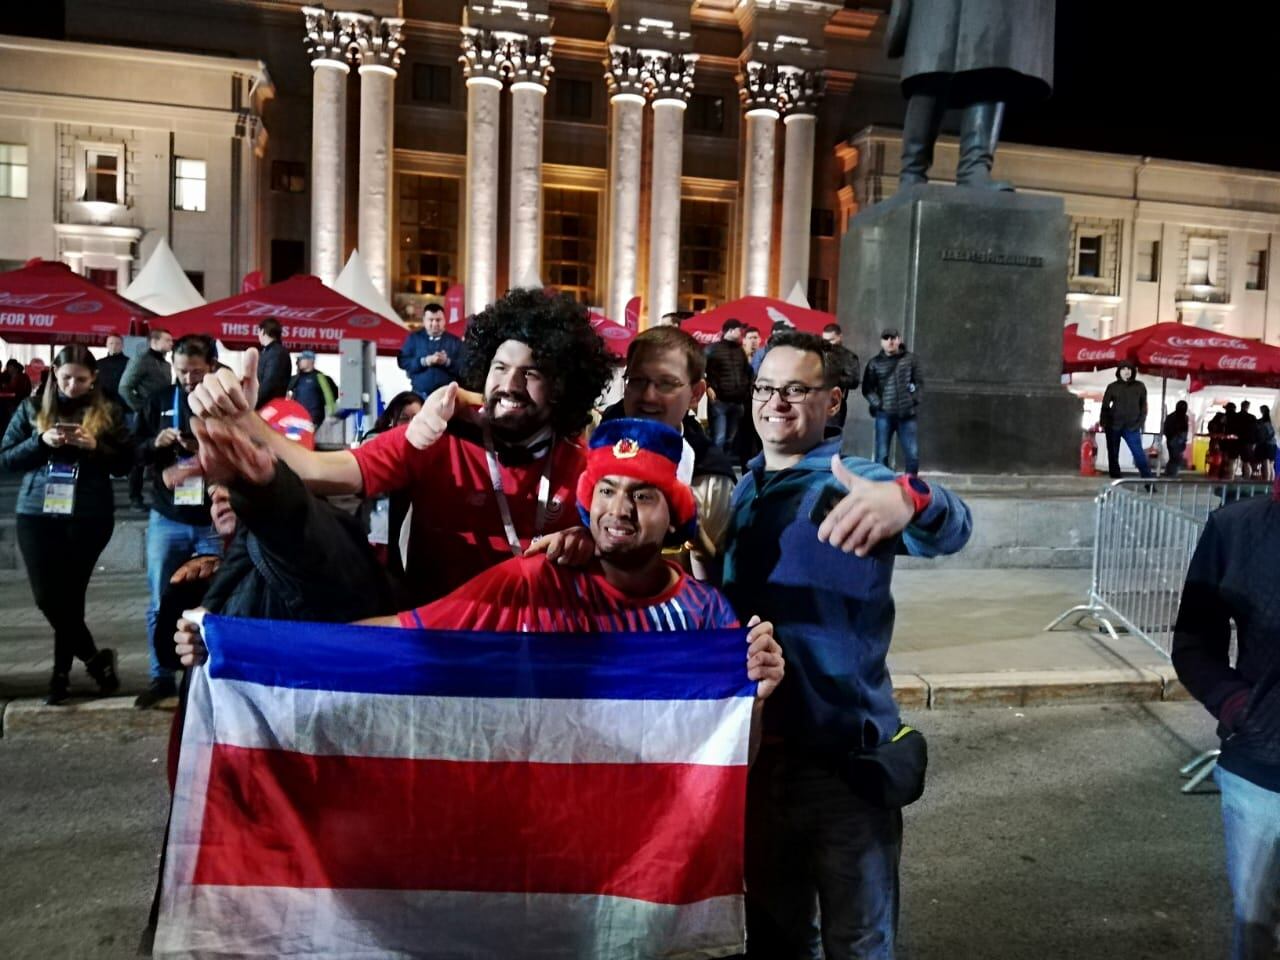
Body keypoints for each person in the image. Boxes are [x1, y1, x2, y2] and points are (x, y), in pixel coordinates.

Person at [178, 418, 782, 699]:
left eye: (643, 495)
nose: (619, 510)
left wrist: (754, 695)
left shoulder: (707, 617)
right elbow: (400, 638)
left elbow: (729, 759)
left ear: (675, 514)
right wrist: (239, 646)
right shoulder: (534, 581)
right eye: (606, 490)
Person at [722, 331, 972, 958]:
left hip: (841, 767)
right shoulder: (742, 487)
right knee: (774, 940)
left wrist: (911, 498)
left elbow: (953, 528)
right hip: (754, 761)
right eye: (765, 388)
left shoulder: (853, 478)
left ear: (832, 401)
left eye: (795, 390)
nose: (775, 403)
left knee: (858, 942)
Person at [188, 287, 615, 606]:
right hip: (435, 652)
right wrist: (245, 421)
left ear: (562, 387)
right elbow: (318, 471)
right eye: (500, 367)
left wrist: (591, 542)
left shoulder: (587, 465)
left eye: (532, 373)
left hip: (543, 653)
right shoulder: (433, 438)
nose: (510, 384)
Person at [1172, 485, 1280, 960]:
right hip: (1264, 775)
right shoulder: (1236, 529)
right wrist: (1240, 707)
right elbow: (1194, 643)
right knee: (1260, 930)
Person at [0, 345, 132, 704]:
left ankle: (60, 676)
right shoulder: (31, 408)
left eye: (81, 380)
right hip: (36, 513)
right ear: (54, 376)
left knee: (71, 597)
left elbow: (125, 462)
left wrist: (95, 446)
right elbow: (6, 459)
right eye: (66, 378)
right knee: (48, 598)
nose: (73, 385)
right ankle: (95, 659)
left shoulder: (108, 410)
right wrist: (40, 442)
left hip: (89, 514)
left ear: (93, 379)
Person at [598, 327, 737, 577]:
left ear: (696, 393)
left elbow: (723, 578)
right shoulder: (591, 448)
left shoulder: (711, 478)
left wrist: (698, 544)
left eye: (666, 384)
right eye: (637, 381)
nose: (648, 396)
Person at [133, 334, 224, 708]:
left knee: (214, 602)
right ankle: (161, 676)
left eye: (196, 372)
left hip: (212, 519)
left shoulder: (222, 404)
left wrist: (203, 452)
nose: (188, 379)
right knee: (161, 600)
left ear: (211, 367)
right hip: (168, 517)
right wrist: (156, 444)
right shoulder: (159, 401)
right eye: (182, 371)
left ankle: (209, 678)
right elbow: (131, 453)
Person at [120, 327, 174, 510]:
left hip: (162, 414)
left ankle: (161, 495)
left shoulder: (166, 364)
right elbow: (125, 387)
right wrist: (141, 408)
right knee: (139, 458)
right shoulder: (141, 360)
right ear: (154, 342)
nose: (171, 343)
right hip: (145, 415)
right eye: (167, 340)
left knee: (161, 452)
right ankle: (135, 497)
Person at [862, 328, 923, 475]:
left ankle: (910, 485)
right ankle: (882, 484)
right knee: (881, 456)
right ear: (881, 342)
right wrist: (879, 404)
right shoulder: (874, 363)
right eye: (886, 338)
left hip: (907, 415)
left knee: (912, 456)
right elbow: (867, 388)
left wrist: (913, 400)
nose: (890, 341)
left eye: (893, 338)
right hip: (884, 415)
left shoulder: (911, 359)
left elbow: (919, 383)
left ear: (899, 340)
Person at [705, 319, 753, 454]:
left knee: (730, 439)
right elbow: (701, 370)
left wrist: (746, 390)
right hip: (720, 401)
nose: (741, 333)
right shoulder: (712, 349)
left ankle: (725, 463)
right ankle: (716, 463)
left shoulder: (740, 351)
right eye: (739, 330)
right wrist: (708, 386)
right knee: (719, 438)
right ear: (730, 331)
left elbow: (746, 372)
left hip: (738, 401)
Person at [399, 302, 466, 398]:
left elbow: (464, 368)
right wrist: (424, 361)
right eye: (431, 320)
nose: (434, 324)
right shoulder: (413, 339)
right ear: (424, 321)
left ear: (444, 320)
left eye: (438, 320)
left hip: (446, 396)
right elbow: (403, 362)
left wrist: (447, 362)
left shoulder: (455, 342)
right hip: (419, 394)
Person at [1098, 361, 1152, 479]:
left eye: (1129, 369)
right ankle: (1115, 478)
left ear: (1133, 371)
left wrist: (1139, 423)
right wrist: (1104, 423)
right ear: (1119, 371)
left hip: (1132, 427)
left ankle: (1148, 480)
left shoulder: (1140, 386)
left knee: (1138, 453)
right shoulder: (1112, 387)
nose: (1126, 371)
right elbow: (1105, 406)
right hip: (1113, 426)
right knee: (1113, 454)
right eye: (1123, 369)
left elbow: (1143, 407)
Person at [822, 323, 861, 431]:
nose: (827, 343)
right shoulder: (819, 352)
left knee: (831, 435)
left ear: (840, 337)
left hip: (834, 402)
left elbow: (854, 381)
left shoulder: (849, 357)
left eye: (831, 340)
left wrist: (833, 378)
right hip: (815, 400)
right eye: (825, 340)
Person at [286, 350, 338, 427]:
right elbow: (286, 393)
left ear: (310, 361)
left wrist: (331, 414)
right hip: (297, 418)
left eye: (302, 359)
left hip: (313, 418)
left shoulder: (320, 377)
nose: (299, 361)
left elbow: (329, 396)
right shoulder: (295, 378)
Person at [255, 317, 291, 408]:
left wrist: (253, 403)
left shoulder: (276, 353)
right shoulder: (269, 352)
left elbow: (269, 384)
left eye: (258, 332)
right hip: (267, 405)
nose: (258, 336)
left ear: (263, 331)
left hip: (269, 407)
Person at [96, 334, 129, 412]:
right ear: (106, 345)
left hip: (123, 406)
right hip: (102, 405)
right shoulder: (99, 363)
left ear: (122, 346)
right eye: (111, 343)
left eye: (117, 343)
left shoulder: (130, 363)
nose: (114, 346)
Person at [1162, 399, 1190, 478]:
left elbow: (1165, 429)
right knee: (1176, 458)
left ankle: (1169, 473)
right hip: (1176, 439)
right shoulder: (1182, 417)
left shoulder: (1172, 417)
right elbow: (1184, 430)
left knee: (1174, 458)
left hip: (1173, 439)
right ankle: (1172, 474)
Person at [1232, 400, 1258, 480]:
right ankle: (1246, 479)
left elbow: (1232, 429)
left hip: (1236, 441)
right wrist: (1254, 442)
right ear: (1248, 407)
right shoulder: (1252, 417)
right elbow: (1255, 430)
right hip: (1247, 442)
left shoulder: (1236, 416)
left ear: (1241, 406)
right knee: (1246, 462)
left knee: (1233, 461)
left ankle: (1231, 477)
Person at [1255, 406, 1276, 483]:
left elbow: (1262, 436)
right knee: (1271, 464)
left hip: (1266, 444)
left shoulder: (1264, 424)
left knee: (1266, 462)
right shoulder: (1275, 423)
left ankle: (1266, 482)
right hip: (1274, 444)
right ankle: (1271, 482)